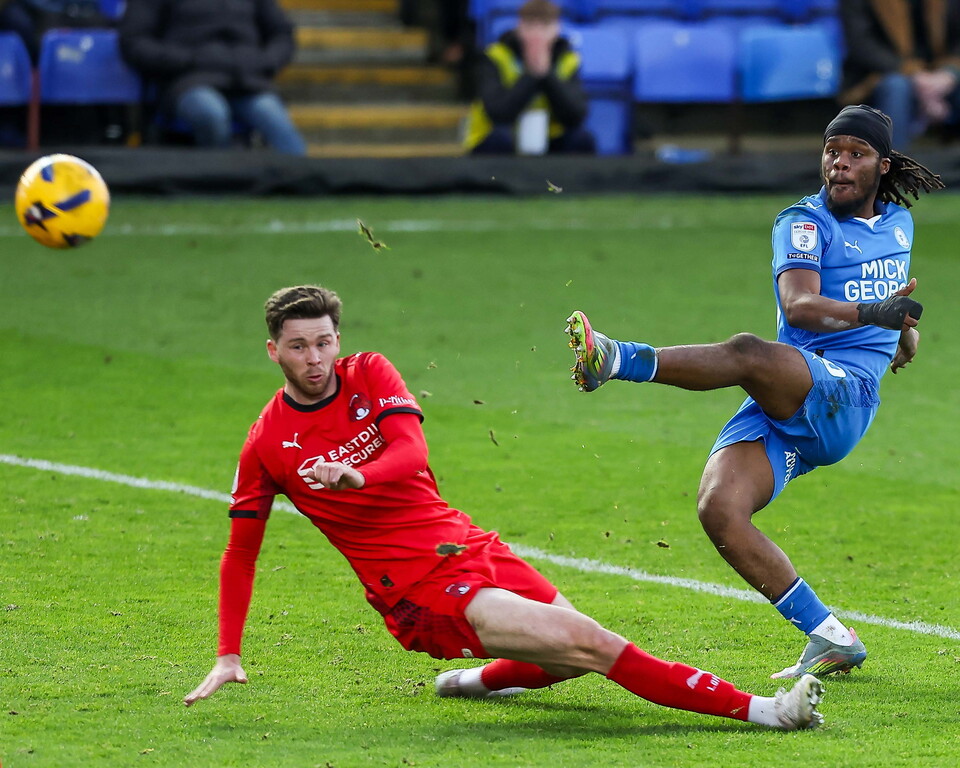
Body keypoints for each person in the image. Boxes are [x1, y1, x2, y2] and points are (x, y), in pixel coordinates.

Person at [183, 284, 824, 731]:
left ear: (338, 339)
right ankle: (767, 711)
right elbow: (241, 553)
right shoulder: (268, 444)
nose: (315, 359)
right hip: (417, 590)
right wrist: (228, 654)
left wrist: (357, 473)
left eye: (323, 343)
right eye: (298, 347)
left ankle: (474, 682)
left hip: (467, 545)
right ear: (274, 351)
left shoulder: (369, 373)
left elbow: (410, 454)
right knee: (589, 642)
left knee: (563, 659)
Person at [565, 104, 944, 681]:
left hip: (846, 398)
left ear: (882, 165)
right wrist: (881, 314)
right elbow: (800, 306)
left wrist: (903, 332)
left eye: (855, 154)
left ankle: (614, 358)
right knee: (720, 508)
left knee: (746, 352)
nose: (839, 164)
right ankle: (829, 635)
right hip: (792, 388)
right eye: (831, 151)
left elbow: (889, 309)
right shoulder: (802, 222)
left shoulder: (899, 226)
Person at [119, 0, 306, 155]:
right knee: (211, 113)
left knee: (276, 121)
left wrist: (266, 61)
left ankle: (304, 185)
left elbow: (282, 33)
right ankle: (220, 181)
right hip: (187, 80)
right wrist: (187, 60)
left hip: (248, 80)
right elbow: (134, 42)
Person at [464, 0, 594, 155]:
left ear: (557, 28)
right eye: (530, 26)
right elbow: (497, 113)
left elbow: (576, 115)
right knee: (500, 138)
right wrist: (531, 75)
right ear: (519, 27)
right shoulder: (495, 56)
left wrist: (547, 75)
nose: (537, 34)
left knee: (581, 139)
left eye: (545, 26)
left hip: (549, 139)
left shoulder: (568, 60)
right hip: (503, 138)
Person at [839, 0, 960, 149]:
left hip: (940, 74)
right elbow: (861, 45)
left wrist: (949, 74)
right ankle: (894, 164)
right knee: (897, 87)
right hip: (877, 75)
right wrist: (915, 76)